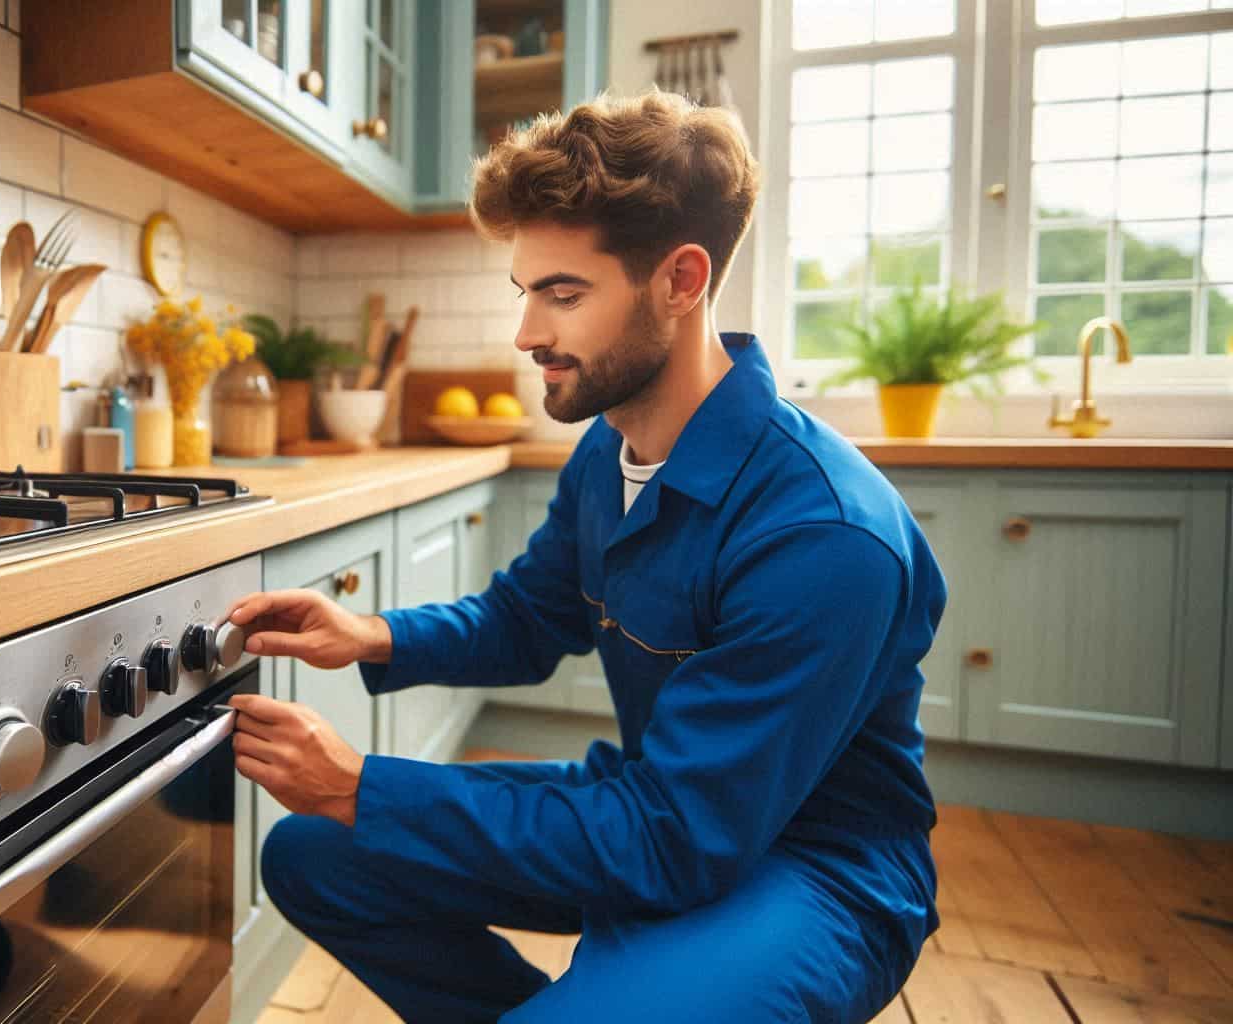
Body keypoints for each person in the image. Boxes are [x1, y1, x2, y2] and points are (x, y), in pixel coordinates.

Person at [220, 89, 943, 1023]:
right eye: (527, 292)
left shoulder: (824, 535)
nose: (527, 334)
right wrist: (370, 635)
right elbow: (529, 617)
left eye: (563, 294)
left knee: (365, 811)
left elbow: (680, 841)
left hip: (813, 866)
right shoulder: (611, 449)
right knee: (316, 857)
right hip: (666, 807)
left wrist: (364, 784)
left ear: (681, 282)